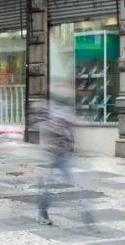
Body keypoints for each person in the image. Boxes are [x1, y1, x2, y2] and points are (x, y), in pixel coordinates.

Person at [34, 97, 88, 228]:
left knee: (65, 185)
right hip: (55, 157)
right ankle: (42, 213)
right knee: (50, 187)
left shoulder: (63, 117)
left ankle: (87, 215)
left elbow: (70, 136)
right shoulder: (58, 118)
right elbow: (54, 135)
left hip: (62, 156)